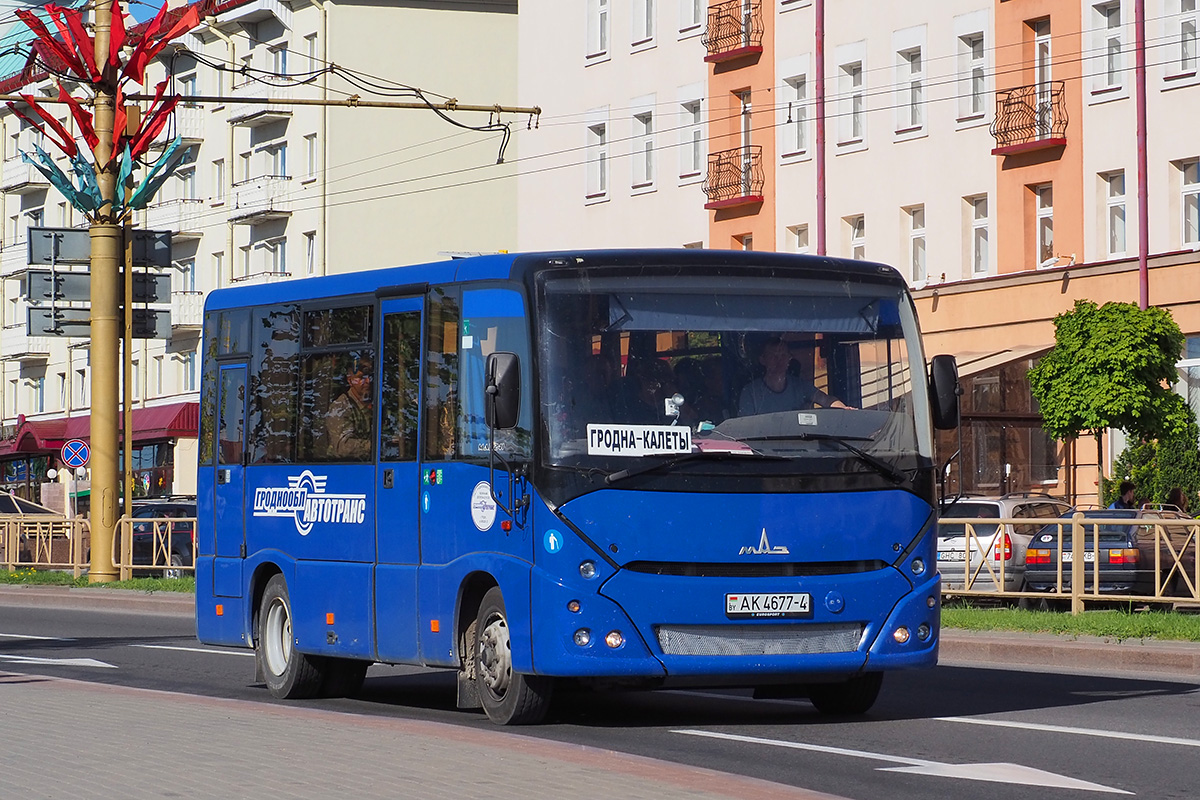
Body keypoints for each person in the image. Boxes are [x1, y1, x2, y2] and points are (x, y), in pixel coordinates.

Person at [737, 335, 851, 416]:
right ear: (763, 359)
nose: (779, 360)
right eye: (773, 356)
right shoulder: (750, 392)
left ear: (789, 359)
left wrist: (844, 410)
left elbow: (825, 400)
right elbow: (745, 427)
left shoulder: (801, 386)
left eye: (783, 355)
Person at [326, 355, 374, 459]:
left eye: (370, 377)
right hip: (344, 469)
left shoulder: (377, 403)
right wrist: (376, 446)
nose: (368, 382)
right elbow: (343, 447)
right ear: (350, 380)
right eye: (361, 378)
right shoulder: (341, 406)